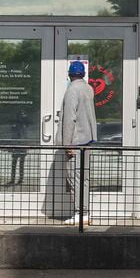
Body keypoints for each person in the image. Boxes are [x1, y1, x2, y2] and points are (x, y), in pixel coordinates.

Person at [61, 60, 97, 226]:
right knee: (84, 178)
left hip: (75, 142)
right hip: (87, 140)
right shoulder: (88, 89)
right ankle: (85, 213)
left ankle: (79, 213)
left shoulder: (72, 90)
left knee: (75, 178)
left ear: (70, 74)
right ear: (83, 74)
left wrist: (67, 143)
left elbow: (69, 118)